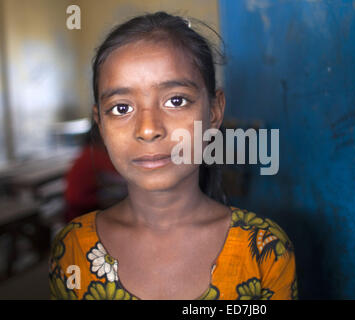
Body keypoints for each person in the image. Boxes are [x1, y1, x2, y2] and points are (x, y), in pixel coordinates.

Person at [49, 12, 297, 300]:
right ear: (100, 123)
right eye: (121, 108)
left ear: (214, 111)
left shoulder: (264, 249)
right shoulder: (73, 249)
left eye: (175, 101)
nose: (149, 129)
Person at [63, 126, 127, 223]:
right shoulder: (94, 153)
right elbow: (121, 174)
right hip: (82, 206)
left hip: (76, 203)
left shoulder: (87, 152)